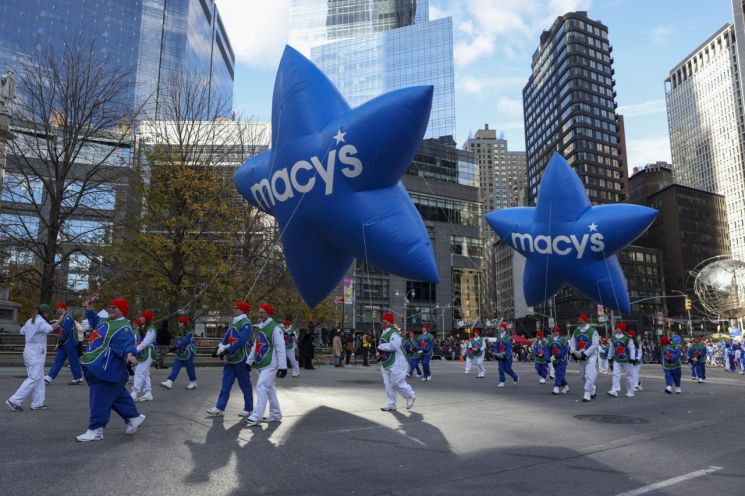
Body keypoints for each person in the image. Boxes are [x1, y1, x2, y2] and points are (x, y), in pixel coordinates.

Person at [77, 296, 145, 442]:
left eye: (115, 307)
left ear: (122, 311)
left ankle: (96, 429)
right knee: (117, 397)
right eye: (110, 306)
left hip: (106, 370)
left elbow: (127, 343)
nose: (111, 309)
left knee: (99, 399)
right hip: (104, 369)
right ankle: (133, 417)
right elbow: (94, 320)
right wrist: (90, 307)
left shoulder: (123, 327)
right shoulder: (105, 321)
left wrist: (130, 355)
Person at [206, 302, 253, 417]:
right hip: (231, 359)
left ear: (242, 310)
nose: (233, 309)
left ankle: (248, 408)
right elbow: (226, 337)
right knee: (226, 384)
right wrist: (218, 348)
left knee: (245, 384)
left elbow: (241, 340)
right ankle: (219, 407)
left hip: (241, 359)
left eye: (236, 308)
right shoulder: (233, 322)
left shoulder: (246, 323)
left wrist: (227, 350)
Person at [243, 303, 287, 427]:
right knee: (269, 389)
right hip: (261, 362)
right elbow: (255, 346)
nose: (260, 314)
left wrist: (283, 366)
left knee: (261, 386)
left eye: (262, 312)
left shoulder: (275, 328)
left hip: (270, 363)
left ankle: (256, 416)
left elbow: (280, 347)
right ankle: (275, 414)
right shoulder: (261, 327)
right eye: (259, 312)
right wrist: (249, 361)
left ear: (268, 313)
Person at [6, 304, 55, 412]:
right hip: (36, 353)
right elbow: (49, 329)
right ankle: (14, 400)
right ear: (45, 313)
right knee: (34, 378)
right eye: (48, 313)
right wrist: (59, 321)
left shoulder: (30, 321)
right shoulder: (41, 321)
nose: (48, 315)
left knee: (39, 378)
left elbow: (22, 331)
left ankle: (38, 403)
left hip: (30, 351)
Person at [377, 312, 415, 411]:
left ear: (387, 322)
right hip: (387, 362)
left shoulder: (394, 332)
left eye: (382, 321)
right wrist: (380, 353)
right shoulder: (384, 332)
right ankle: (391, 403)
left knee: (397, 381)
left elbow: (395, 345)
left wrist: (381, 347)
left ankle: (410, 396)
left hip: (397, 361)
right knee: (388, 384)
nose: (380, 323)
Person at [44, 302, 83, 385]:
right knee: (59, 359)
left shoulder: (68, 317)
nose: (59, 309)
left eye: (61, 308)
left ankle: (78, 377)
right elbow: (62, 330)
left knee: (72, 360)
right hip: (65, 342)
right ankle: (49, 377)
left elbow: (65, 331)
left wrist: (56, 330)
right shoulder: (63, 318)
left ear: (65, 309)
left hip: (70, 342)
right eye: (58, 308)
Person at [160, 316, 197, 390]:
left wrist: (175, 347)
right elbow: (178, 340)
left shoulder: (189, 332)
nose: (178, 323)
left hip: (188, 352)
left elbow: (185, 341)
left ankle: (193, 382)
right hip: (180, 352)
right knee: (175, 366)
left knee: (189, 368)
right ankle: (170, 381)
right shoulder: (180, 331)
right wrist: (172, 342)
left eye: (180, 322)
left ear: (183, 323)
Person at [569, 314, 599, 402]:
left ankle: (587, 393)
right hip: (580, 355)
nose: (580, 321)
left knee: (589, 374)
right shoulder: (576, 331)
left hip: (591, 356)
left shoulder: (592, 331)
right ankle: (592, 388)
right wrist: (573, 352)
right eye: (579, 320)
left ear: (586, 320)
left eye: (581, 320)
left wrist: (585, 354)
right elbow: (573, 343)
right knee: (582, 376)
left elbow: (595, 345)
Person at [131, 310, 156, 402]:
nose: (140, 318)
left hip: (147, 352)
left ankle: (134, 393)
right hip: (143, 352)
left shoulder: (151, 329)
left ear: (146, 318)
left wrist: (134, 350)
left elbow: (145, 343)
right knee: (145, 373)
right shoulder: (144, 327)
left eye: (142, 317)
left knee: (139, 372)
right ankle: (148, 393)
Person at [606, 322, 636, 398]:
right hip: (617, 359)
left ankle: (630, 391)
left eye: (618, 328)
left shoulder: (627, 338)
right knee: (615, 374)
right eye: (617, 327)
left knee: (629, 375)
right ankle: (614, 390)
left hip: (627, 360)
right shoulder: (613, 338)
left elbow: (632, 348)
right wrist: (609, 357)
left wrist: (632, 358)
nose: (617, 329)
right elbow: (611, 348)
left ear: (622, 329)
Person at [494, 322, 519, 387]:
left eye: (502, 327)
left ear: (504, 328)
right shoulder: (498, 336)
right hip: (499, 355)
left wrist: (504, 353)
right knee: (500, 368)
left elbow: (509, 347)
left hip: (507, 356)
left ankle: (515, 377)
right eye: (500, 327)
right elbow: (496, 346)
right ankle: (502, 382)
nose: (500, 328)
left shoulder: (508, 337)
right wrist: (496, 353)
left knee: (508, 369)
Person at [548, 326, 569, 394]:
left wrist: (557, 355)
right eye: (553, 331)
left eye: (556, 331)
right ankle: (565, 386)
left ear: (559, 331)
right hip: (554, 360)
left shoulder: (563, 339)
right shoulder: (550, 340)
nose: (555, 332)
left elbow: (565, 349)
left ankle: (556, 387)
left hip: (562, 359)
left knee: (558, 373)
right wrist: (548, 357)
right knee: (559, 374)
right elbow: (547, 349)